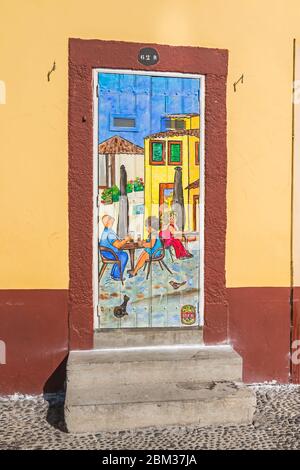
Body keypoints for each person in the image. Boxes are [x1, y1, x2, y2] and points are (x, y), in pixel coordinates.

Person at [99, 215, 130, 281]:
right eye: (110, 219)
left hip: (107, 252)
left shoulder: (108, 230)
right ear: (108, 222)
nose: (112, 220)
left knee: (121, 254)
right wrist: (126, 240)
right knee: (124, 255)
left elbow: (116, 241)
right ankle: (116, 275)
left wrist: (122, 240)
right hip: (109, 253)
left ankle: (113, 274)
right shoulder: (109, 233)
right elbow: (118, 245)